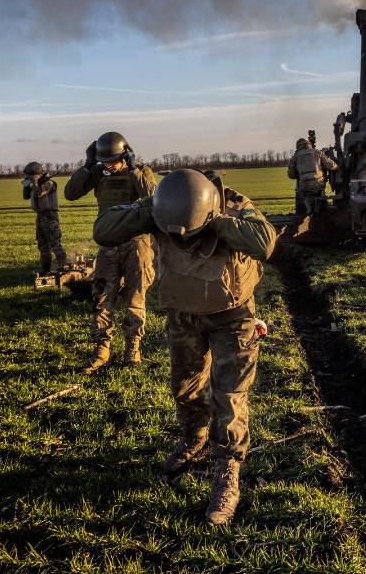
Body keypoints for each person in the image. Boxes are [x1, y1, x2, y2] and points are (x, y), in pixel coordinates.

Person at [94, 168, 277, 525]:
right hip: (184, 317)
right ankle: (194, 438)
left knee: (229, 397)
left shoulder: (235, 208)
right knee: (185, 387)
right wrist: (148, 211)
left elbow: (265, 243)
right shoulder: (160, 210)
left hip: (232, 318)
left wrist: (221, 222)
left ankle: (227, 471)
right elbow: (103, 230)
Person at [64, 132, 158, 371]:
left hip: (137, 244)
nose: (109, 165)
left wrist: (134, 169)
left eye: (113, 161)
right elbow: (70, 193)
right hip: (108, 245)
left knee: (135, 299)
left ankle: (132, 349)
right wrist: (87, 167)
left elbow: (154, 198)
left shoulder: (141, 171)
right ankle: (101, 350)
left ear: (125, 155)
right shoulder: (97, 173)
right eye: (104, 161)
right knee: (101, 298)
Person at [21, 161, 69, 274]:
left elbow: (39, 194)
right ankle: (45, 271)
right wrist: (27, 186)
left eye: (29, 175)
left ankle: (65, 270)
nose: (27, 177)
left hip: (50, 216)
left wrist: (35, 183)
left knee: (55, 244)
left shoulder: (49, 183)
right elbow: (25, 196)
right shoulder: (36, 183)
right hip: (40, 216)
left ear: (35, 174)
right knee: (43, 245)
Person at [287, 136, 338, 216]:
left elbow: (291, 175)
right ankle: (318, 212)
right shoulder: (317, 152)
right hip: (318, 185)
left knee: (305, 198)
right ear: (308, 144)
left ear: (298, 146)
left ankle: (309, 212)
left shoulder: (295, 157)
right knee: (320, 198)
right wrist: (337, 166)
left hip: (304, 187)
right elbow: (331, 165)